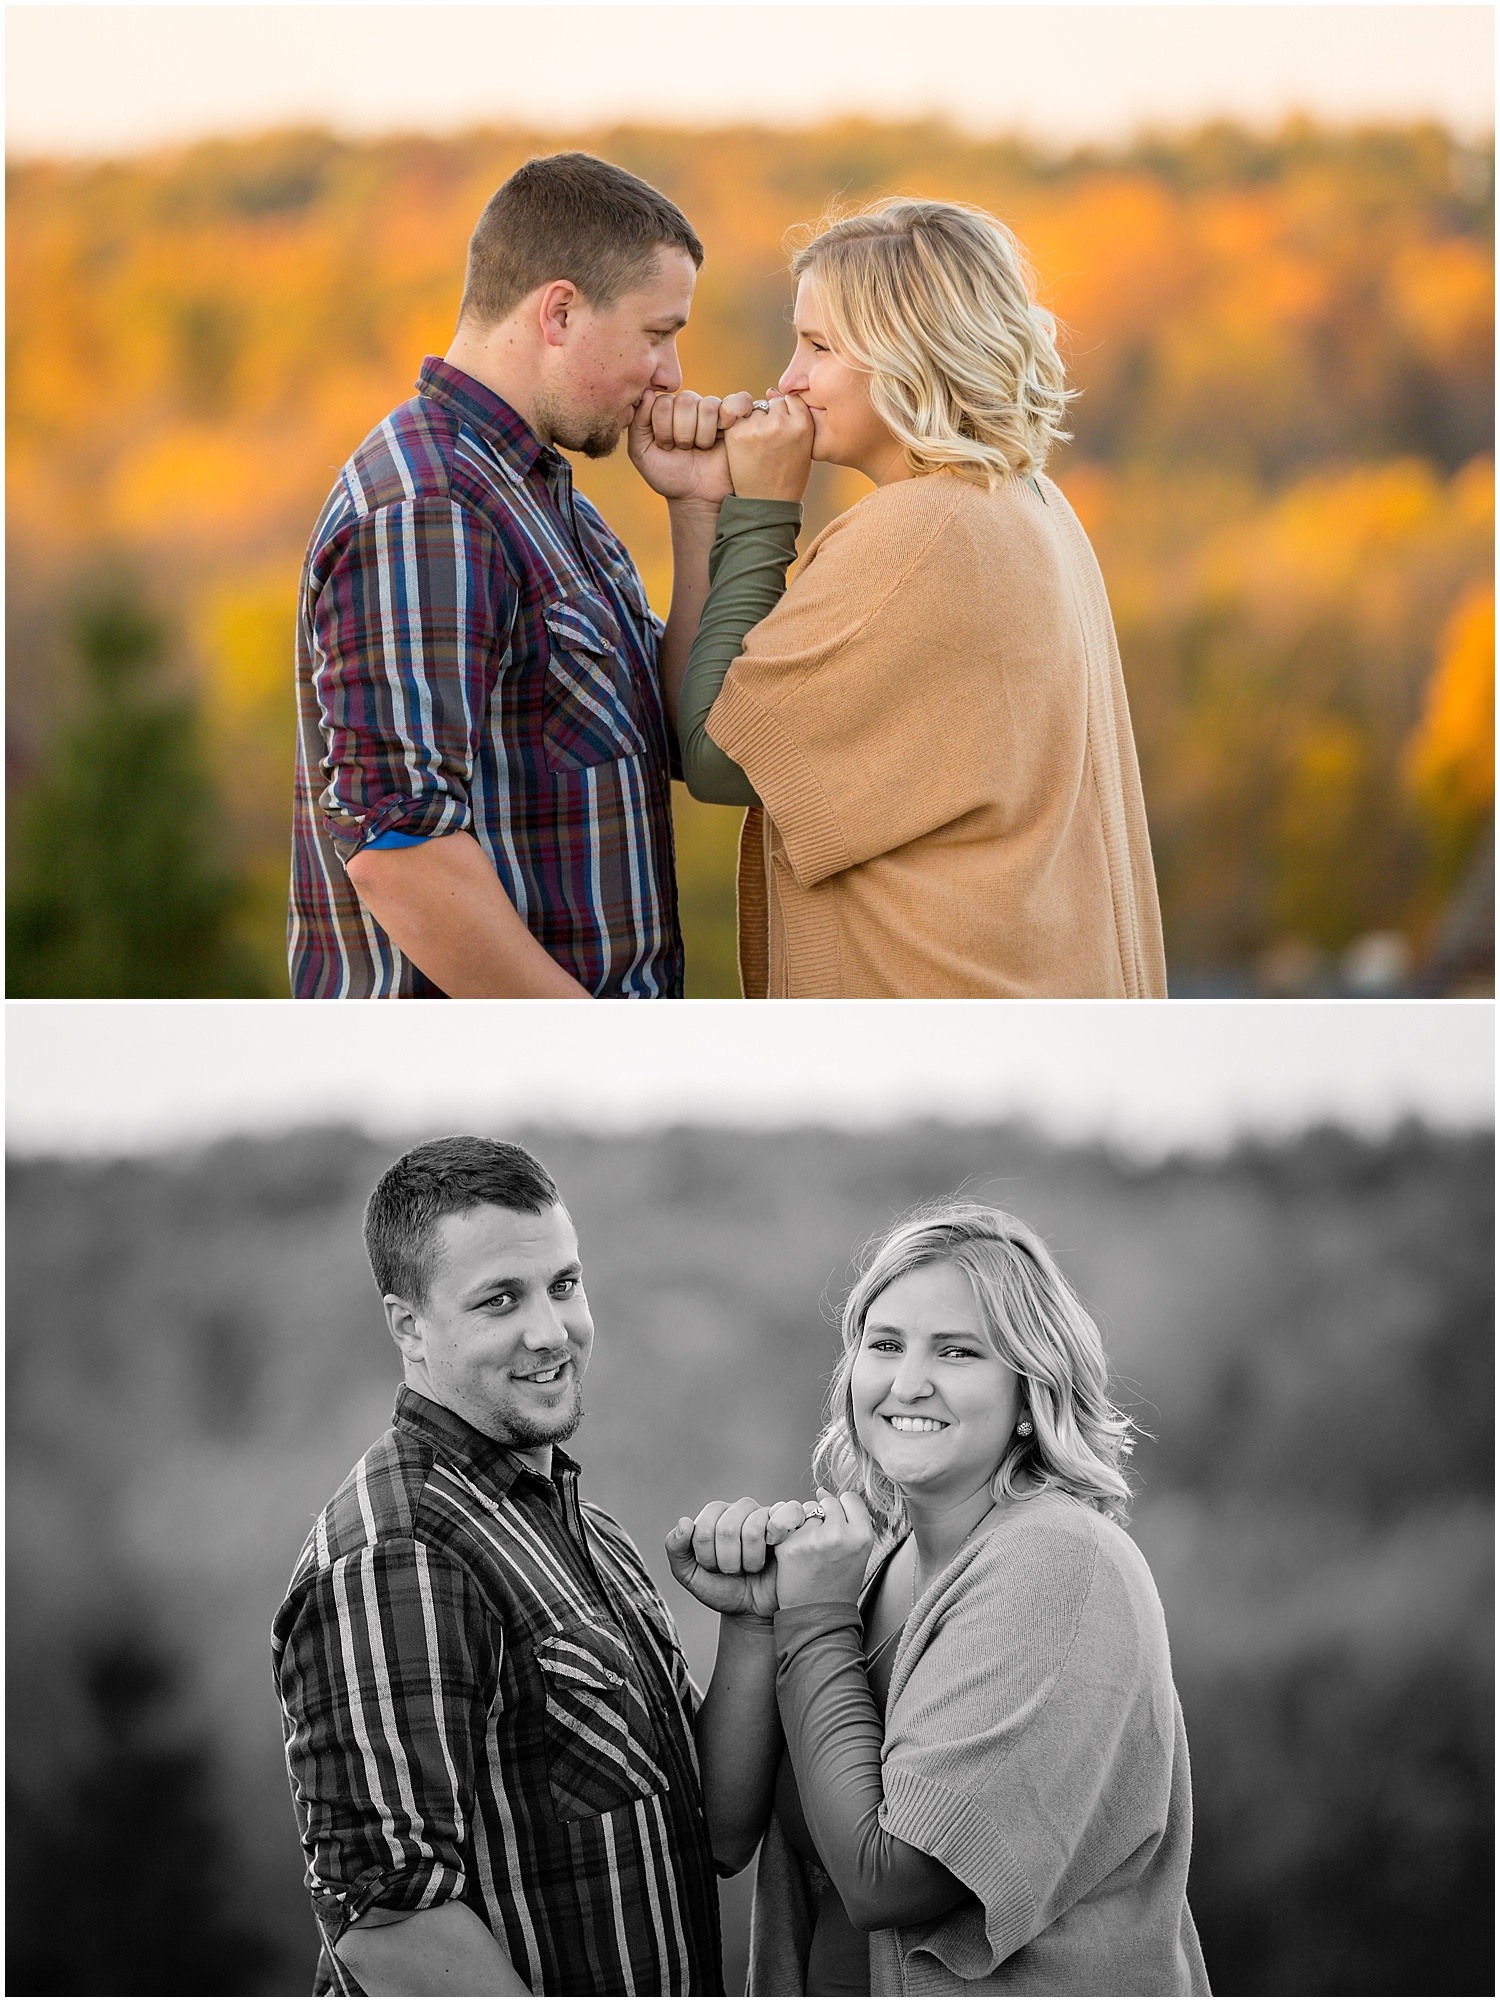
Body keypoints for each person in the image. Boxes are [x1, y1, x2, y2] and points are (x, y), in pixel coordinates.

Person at [667, 1199, 1209, 1996]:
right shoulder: (873, 1560)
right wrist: (757, 1620)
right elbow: (716, 1836)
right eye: (884, 1345)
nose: (908, 1382)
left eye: (957, 1352)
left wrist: (814, 1620)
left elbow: (889, 1882)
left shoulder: (1059, 1563)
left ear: (1031, 1394)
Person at [289, 151, 758, 999]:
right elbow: (403, 853)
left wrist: (696, 512)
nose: (672, 375)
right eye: (658, 334)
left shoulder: (536, 489)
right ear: (561, 312)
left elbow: (684, 729)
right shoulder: (432, 505)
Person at [673, 198, 1170, 998]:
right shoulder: (1031, 501)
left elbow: (715, 752)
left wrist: (752, 511)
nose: (788, 379)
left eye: (820, 347)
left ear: (912, 355)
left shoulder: (919, 532)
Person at [272, 1137, 722, 1995]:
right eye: (499, 1301)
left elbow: (715, 1826)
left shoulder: (581, 1528)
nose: (550, 1332)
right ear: (408, 1325)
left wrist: (757, 1616)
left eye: (564, 1285)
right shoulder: (395, 1552)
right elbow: (388, 1921)